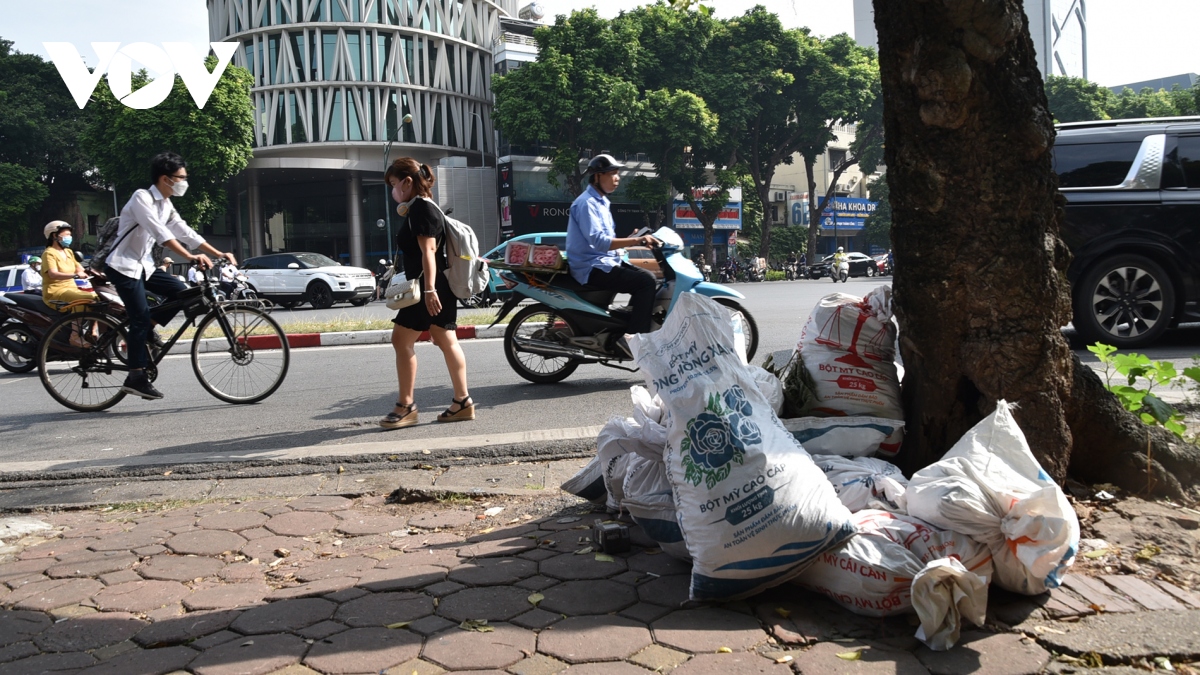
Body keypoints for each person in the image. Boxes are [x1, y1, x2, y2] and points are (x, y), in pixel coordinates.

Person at [104, 152, 236, 401]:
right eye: (181, 178)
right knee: (140, 317)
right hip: (122, 266)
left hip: (145, 266)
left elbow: (185, 231)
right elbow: (161, 233)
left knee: (183, 293)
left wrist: (218, 252)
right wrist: (190, 256)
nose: (184, 182)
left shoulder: (166, 204)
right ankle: (136, 377)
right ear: (165, 179)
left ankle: (148, 329)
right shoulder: (141, 198)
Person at [379, 157, 474, 429]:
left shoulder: (421, 209)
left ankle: (406, 405)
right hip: (435, 285)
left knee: (401, 341)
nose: (393, 190)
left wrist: (430, 290)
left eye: (395, 184)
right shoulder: (421, 207)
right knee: (446, 340)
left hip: (426, 287)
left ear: (408, 182)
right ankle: (462, 402)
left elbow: (429, 251)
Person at [566, 154, 659, 354]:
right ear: (597, 176)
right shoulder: (586, 204)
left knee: (647, 278)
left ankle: (627, 325)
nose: (617, 178)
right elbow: (598, 242)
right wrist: (637, 240)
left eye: (618, 174)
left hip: (603, 261)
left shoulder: (601, 201)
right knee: (646, 282)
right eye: (612, 174)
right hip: (591, 267)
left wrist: (630, 238)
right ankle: (632, 338)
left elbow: (605, 241)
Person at [39, 221, 99, 347]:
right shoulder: (49, 253)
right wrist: (75, 275)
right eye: (65, 235)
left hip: (72, 288)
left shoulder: (69, 252)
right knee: (83, 299)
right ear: (54, 236)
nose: (68, 238)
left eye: (69, 235)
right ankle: (74, 336)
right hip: (55, 290)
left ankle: (92, 330)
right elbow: (53, 274)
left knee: (97, 298)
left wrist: (96, 272)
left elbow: (79, 269)